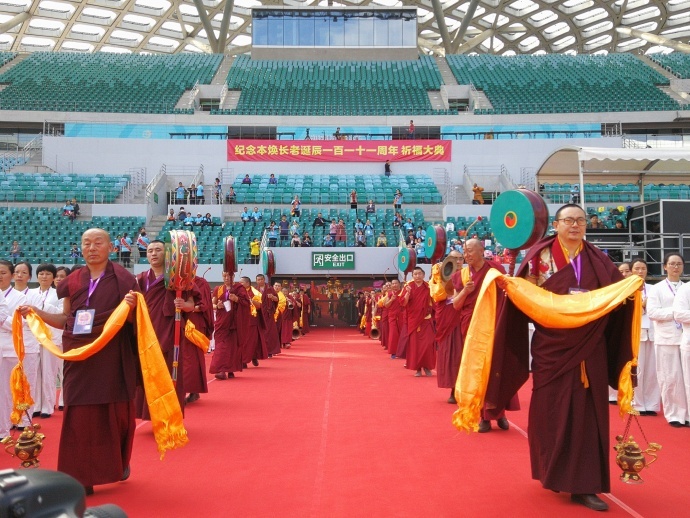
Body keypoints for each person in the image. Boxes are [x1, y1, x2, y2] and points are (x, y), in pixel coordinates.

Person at [488, 204, 635, 511]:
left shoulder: (598, 259)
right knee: (551, 411)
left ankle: (585, 484)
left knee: (588, 415)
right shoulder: (540, 258)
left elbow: (614, 296)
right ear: (556, 225)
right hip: (552, 346)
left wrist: (630, 292)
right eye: (569, 220)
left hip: (588, 347)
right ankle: (553, 471)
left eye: (581, 220)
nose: (575, 225)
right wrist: (511, 290)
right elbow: (524, 298)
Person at [20, 228, 139, 495]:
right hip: (78, 356)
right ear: (81, 248)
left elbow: (136, 324)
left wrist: (131, 309)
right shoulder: (72, 281)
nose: (92, 247)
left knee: (116, 414)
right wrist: (36, 312)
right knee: (78, 416)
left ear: (110, 247)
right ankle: (80, 475)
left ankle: (118, 462)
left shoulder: (124, 279)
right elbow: (65, 320)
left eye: (98, 243)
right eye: (87, 243)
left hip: (111, 355)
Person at [452, 239, 515, 430]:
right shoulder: (461, 275)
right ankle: (483, 416)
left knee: (496, 368)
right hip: (471, 328)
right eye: (465, 251)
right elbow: (455, 304)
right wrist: (465, 290)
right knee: (477, 370)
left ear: (481, 251)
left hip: (493, 324)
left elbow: (508, 291)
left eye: (470, 250)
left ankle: (499, 413)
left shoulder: (494, 270)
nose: (467, 254)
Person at [136, 240, 197, 417]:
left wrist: (183, 304)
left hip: (169, 331)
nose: (153, 254)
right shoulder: (140, 279)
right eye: (149, 251)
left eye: (158, 250)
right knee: (148, 373)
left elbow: (191, 304)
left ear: (167, 253)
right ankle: (149, 413)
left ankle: (169, 413)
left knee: (168, 370)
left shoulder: (178, 278)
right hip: (146, 331)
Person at [649, 253, 688, 428]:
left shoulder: (685, 287)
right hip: (666, 338)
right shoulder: (657, 288)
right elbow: (653, 313)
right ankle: (673, 414)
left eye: (679, 264)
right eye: (672, 264)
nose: (675, 267)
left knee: (686, 378)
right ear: (665, 266)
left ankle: (686, 413)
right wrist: (675, 312)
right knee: (670, 377)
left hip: (685, 337)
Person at [29, 263, 62, 418]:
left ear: (53, 277)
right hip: (34, 337)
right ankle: (35, 405)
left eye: (48, 274)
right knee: (34, 373)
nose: (44, 276)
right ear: (37, 276)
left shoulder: (59, 294)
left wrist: (44, 307)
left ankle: (47, 407)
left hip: (52, 338)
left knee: (49, 372)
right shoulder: (30, 293)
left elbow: (62, 313)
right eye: (41, 273)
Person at [432, 251, 464, 403]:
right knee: (452, 354)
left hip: (464, 317)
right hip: (448, 319)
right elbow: (437, 296)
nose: (457, 261)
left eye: (460, 258)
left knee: (464, 353)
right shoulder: (439, 275)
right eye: (454, 258)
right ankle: (453, 388)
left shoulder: (469, 275)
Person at [0, 261, 27, 438]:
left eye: (3, 272)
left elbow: (20, 323)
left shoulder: (20, 297)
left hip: (9, 348)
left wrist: (3, 321)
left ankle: (4, 428)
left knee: (6, 391)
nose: (0, 276)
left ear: (10, 275)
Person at [630, 259, 660, 416]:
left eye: (643, 268)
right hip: (637, 331)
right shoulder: (626, 289)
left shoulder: (653, 289)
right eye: (637, 268)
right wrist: (641, 306)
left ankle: (652, 403)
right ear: (631, 270)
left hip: (653, 332)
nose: (640, 271)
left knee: (653, 371)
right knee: (638, 370)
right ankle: (637, 402)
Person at [400, 267, 435, 377]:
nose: (417, 276)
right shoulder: (408, 287)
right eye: (415, 274)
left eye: (419, 274)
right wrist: (407, 294)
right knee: (415, 346)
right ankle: (418, 368)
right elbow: (403, 303)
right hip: (414, 321)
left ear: (423, 275)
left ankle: (427, 366)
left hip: (426, 320)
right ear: (412, 275)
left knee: (428, 344)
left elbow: (434, 301)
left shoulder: (428, 287)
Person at [183, 275, 213, 404]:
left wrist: (186, 307)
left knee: (191, 358)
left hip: (193, 323)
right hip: (177, 321)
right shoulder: (172, 280)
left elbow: (203, 304)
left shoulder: (201, 283)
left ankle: (190, 390)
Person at [210, 271, 244, 379]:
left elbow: (247, 303)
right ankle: (221, 369)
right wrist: (217, 306)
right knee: (221, 346)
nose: (226, 278)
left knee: (232, 346)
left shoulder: (239, 288)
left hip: (234, 321)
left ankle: (230, 369)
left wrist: (237, 299)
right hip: (222, 322)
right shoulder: (218, 289)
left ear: (233, 276)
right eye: (224, 276)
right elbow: (212, 304)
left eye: (228, 276)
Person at [255, 274, 280, 358]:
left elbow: (277, 300)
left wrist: (272, 297)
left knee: (270, 333)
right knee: (259, 333)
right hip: (258, 314)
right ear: (256, 281)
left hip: (268, 314)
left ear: (264, 279)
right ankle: (259, 352)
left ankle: (270, 351)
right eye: (258, 280)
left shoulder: (270, 289)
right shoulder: (255, 290)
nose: (260, 281)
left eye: (261, 279)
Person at [384, 279, 403, 358]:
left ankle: (402, 352)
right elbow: (386, 305)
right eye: (393, 284)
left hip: (402, 315)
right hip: (392, 316)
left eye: (396, 283)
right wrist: (391, 299)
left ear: (399, 284)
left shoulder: (402, 292)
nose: (394, 285)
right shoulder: (389, 294)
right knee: (393, 334)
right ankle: (394, 352)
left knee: (402, 333)